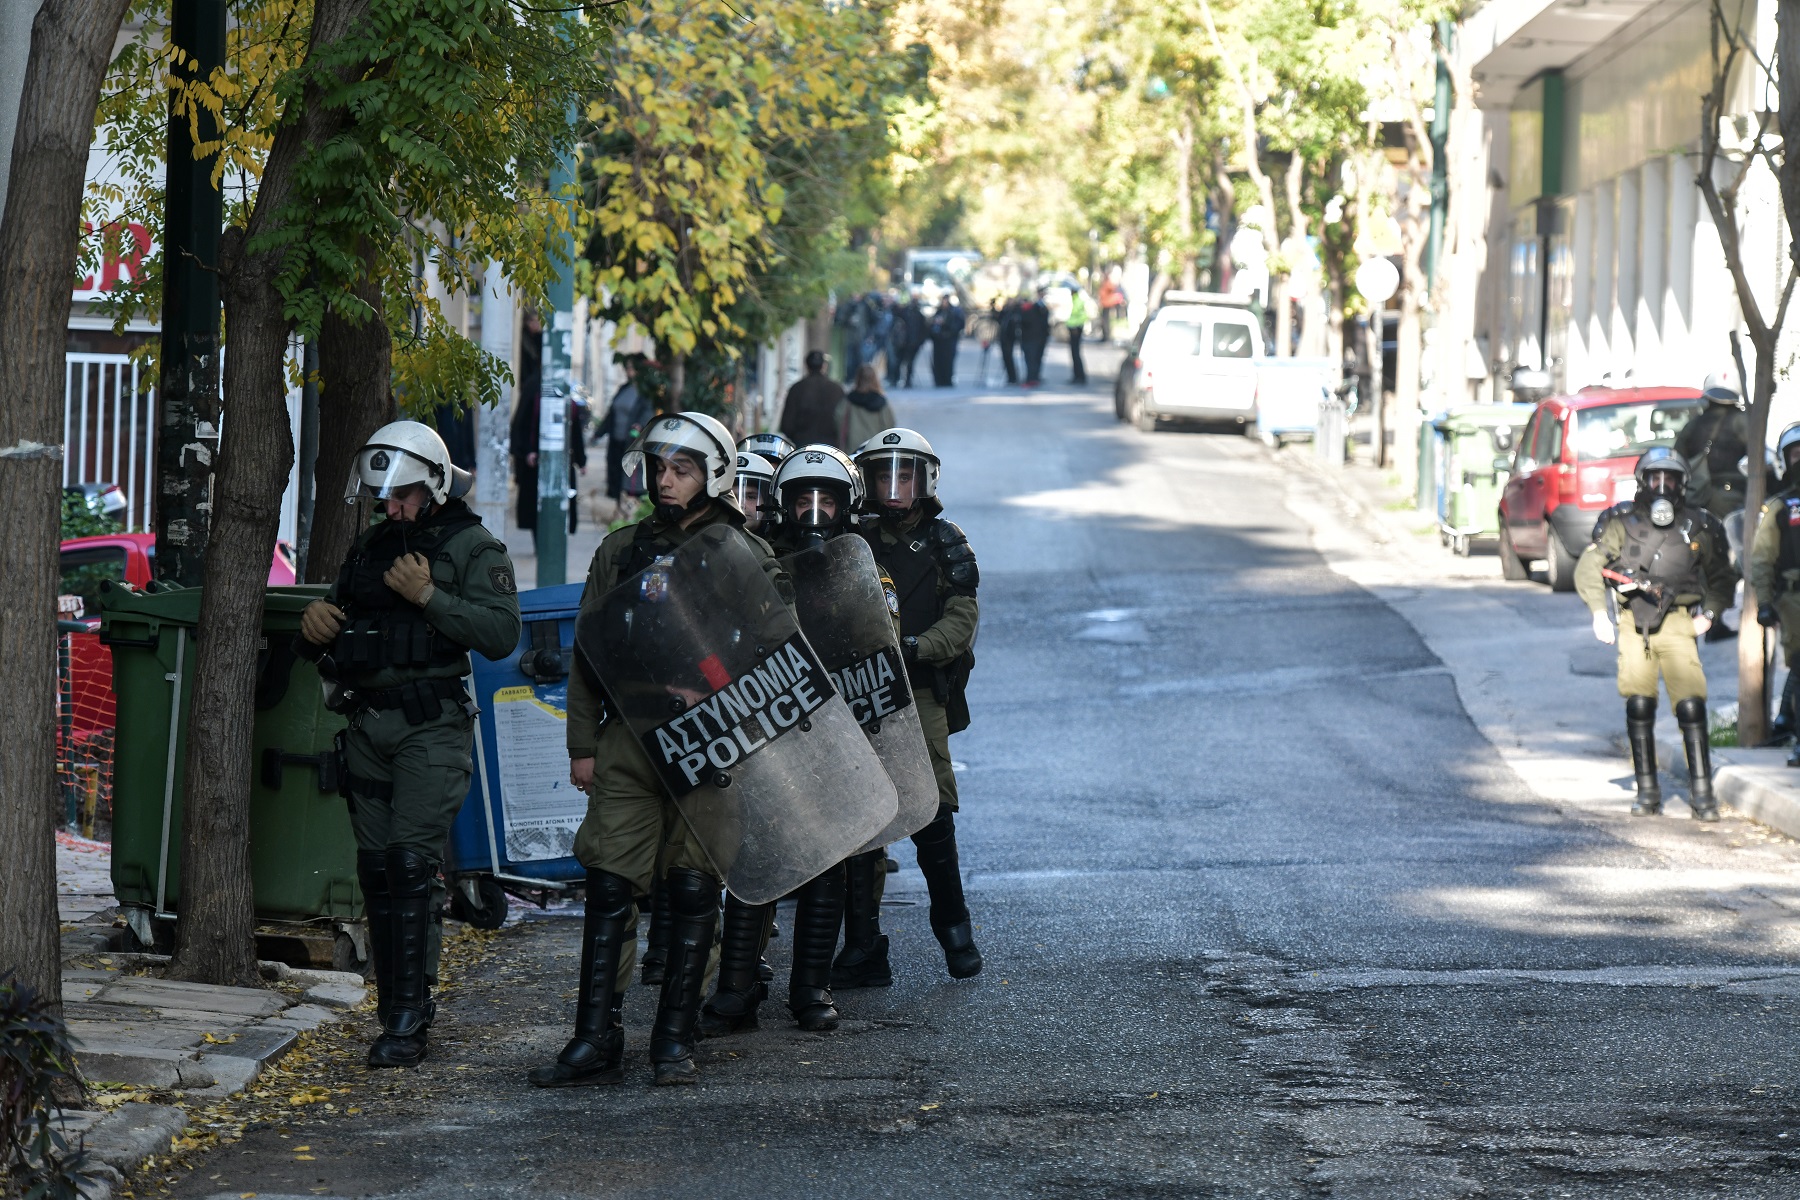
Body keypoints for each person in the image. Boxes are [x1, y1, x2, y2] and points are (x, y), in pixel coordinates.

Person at [530, 412, 793, 1088]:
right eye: (659, 468)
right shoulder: (621, 550)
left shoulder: (746, 554)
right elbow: (588, 650)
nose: (666, 481)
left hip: (712, 742)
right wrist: (582, 744)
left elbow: (780, 652)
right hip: (629, 741)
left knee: (694, 887)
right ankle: (595, 1037)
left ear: (715, 475)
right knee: (610, 884)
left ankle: (675, 1039)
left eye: (681, 469)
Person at [297, 421, 522, 1068]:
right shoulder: (370, 546)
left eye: (401, 497)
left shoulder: (473, 546)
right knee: (375, 871)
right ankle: (391, 1002)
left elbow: (501, 633)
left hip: (432, 727)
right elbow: (345, 621)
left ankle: (407, 1015)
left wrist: (429, 596)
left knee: (410, 864)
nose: (390, 510)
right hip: (367, 725)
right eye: (383, 499)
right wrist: (313, 633)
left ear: (432, 487)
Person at [700, 445, 866, 1038]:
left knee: (828, 857)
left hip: (833, 726)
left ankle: (811, 987)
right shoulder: (758, 558)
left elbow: (879, 643)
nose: (815, 512)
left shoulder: (861, 566)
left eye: (827, 500)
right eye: (803, 501)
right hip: (766, 721)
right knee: (757, 853)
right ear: (783, 506)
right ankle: (736, 988)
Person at [840, 428, 983, 984]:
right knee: (860, 817)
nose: (894, 484)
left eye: (905, 473)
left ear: (925, 480)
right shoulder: (851, 540)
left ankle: (954, 926)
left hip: (919, 689)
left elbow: (962, 618)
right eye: (883, 473)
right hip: (856, 692)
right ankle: (864, 946)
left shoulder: (947, 540)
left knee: (932, 811)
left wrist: (916, 648)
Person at [1574, 447, 1736, 820]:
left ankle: (1702, 794)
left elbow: (1722, 577)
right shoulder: (1620, 521)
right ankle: (1648, 792)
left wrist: (1709, 615)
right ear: (1642, 481)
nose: (1663, 486)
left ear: (1683, 484)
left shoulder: (1700, 524)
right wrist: (1599, 613)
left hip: (1680, 620)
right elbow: (1590, 566)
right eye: (1655, 478)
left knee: (1692, 706)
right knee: (1639, 703)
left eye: (1671, 479)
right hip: (1634, 622)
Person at [1748, 422, 1800, 759]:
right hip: (1794, 598)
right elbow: (1762, 558)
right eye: (1796, 454)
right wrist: (1765, 602)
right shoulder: (1781, 507)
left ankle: (1785, 720)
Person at [601, 355, 654, 518]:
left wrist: (639, 426)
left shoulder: (646, 391)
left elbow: (647, 413)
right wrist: (599, 432)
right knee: (615, 476)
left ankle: (631, 515)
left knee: (630, 479)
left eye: (631, 368)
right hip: (616, 440)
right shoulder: (624, 388)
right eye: (627, 368)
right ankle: (620, 513)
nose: (628, 371)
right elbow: (612, 412)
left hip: (631, 442)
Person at [779, 350, 845, 447]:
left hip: (802, 447)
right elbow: (843, 423)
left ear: (806, 365)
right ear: (824, 366)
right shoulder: (837, 390)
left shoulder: (796, 389)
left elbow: (786, 425)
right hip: (831, 449)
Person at [837, 364, 897, 451]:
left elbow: (839, 419)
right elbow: (889, 426)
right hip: (875, 448)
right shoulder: (881, 403)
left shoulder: (848, 400)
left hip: (852, 448)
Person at [895, 293, 928, 388]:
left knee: (909, 362)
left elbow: (923, 330)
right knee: (904, 361)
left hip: (912, 343)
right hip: (905, 342)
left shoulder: (918, 314)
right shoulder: (906, 312)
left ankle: (906, 380)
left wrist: (920, 341)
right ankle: (902, 379)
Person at [1019, 290, 1051, 388]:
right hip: (1037, 338)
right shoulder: (1039, 308)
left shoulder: (1032, 310)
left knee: (1031, 359)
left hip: (1031, 339)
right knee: (1034, 359)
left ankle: (1032, 379)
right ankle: (1034, 378)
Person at [1065, 286, 1091, 385]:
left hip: (1075, 328)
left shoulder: (1077, 301)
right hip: (1074, 327)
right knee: (1074, 353)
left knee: (1076, 353)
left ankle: (1079, 376)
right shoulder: (1075, 300)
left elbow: (1075, 314)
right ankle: (1077, 375)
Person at [997, 297, 1021, 386]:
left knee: (1009, 357)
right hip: (1003, 337)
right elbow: (999, 319)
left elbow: (1016, 324)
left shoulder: (1015, 312)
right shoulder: (1005, 311)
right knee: (1005, 358)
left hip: (1010, 338)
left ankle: (1013, 377)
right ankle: (1010, 376)